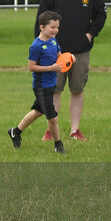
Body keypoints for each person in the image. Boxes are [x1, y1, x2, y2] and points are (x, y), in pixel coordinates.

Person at [34, 0, 107, 142]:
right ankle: (51, 130)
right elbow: (40, 19)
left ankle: (75, 131)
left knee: (77, 90)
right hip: (54, 53)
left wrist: (90, 34)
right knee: (54, 90)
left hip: (80, 51)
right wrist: (42, 46)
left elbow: (101, 14)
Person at [7, 11, 70, 154]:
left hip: (51, 84)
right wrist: (51, 68)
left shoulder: (53, 40)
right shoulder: (36, 46)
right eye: (52, 27)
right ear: (42, 27)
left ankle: (15, 131)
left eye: (57, 27)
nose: (55, 30)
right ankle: (58, 145)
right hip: (41, 87)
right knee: (53, 118)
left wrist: (69, 58)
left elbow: (60, 57)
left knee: (38, 112)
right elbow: (31, 67)